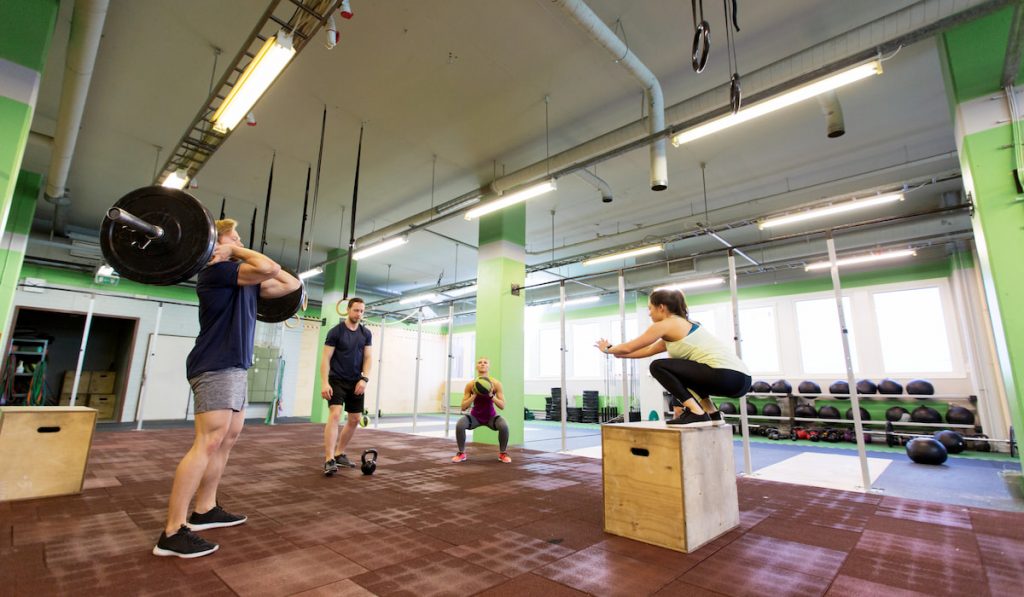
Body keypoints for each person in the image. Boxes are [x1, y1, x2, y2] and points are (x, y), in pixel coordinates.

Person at [154, 219, 300, 558]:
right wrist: (233, 251)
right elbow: (270, 266)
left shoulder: (245, 283)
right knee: (208, 441)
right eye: (233, 239)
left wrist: (235, 249)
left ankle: (205, 509)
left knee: (227, 438)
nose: (238, 243)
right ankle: (173, 530)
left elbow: (290, 284)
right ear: (215, 246)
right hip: (216, 362)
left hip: (235, 365)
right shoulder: (216, 274)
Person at [595, 288, 751, 426]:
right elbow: (646, 350)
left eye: (650, 308)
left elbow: (629, 346)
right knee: (682, 372)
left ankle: (696, 412)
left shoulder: (667, 324)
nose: (649, 313)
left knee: (657, 366)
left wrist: (608, 350)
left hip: (725, 375)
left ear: (661, 307)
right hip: (741, 380)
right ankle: (713, 413)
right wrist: (617, 353)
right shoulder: (682, 325)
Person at [321, 297, 373, 476]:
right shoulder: (336, 332)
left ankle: (339, 452)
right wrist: (324, 382)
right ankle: (329, 459)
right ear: (348, 310)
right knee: (335, 415)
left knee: (354, 419)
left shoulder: (366, 334)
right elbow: (326, 359)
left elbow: (368, 358)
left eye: (361, 311)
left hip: (356, 381)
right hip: (336, 379)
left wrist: (364, 379)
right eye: (356, 310)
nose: (359, 314)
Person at [451, 357, 512, 463]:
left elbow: (502, 406)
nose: (482, 364)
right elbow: (463, 406)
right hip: (475, 417)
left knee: (504, 425)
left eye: (485, 362)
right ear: (476, 366)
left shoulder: (496, 384)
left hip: (491, 417)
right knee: (460, 424)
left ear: (488, 366)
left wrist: (491, 396)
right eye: (480, 362)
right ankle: (461, 453)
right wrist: (474, 395)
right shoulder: (470, 384)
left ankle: (503, 453)